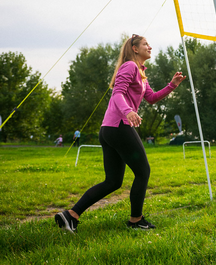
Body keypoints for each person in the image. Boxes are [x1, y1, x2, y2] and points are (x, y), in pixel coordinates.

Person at [54, 35, 186, 233]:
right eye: (145, 44)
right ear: (134, 48)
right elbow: (117, 93)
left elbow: (150, 98)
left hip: (110, 129)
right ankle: (136, 221)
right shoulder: (129, 66)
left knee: (113, 181)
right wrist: (129, 111)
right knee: (143, 171)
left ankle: (71, 215)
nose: (149, 47)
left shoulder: (141, 72)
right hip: (119, 127)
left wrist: (172, 85)